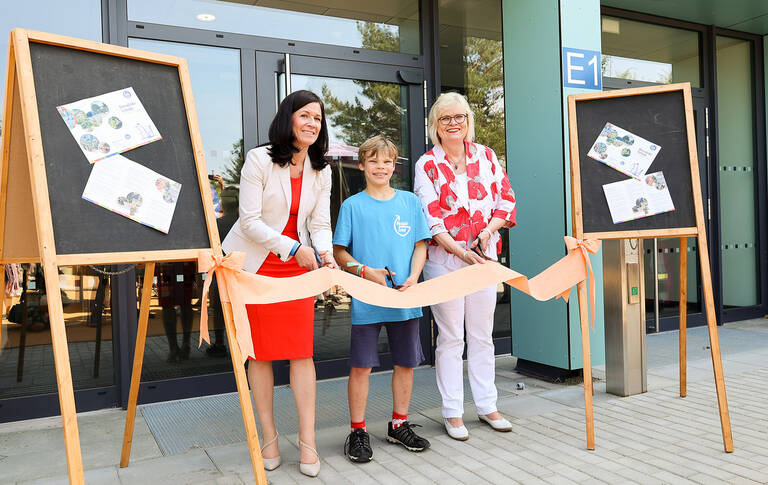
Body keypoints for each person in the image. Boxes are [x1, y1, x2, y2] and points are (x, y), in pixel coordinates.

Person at [222, 90, 336, 477]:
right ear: (288, 118)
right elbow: (249, 220)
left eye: (317, 119)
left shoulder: (323, 168)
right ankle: (268, 438)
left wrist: (325, 254)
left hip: (298, 268)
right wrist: (294, 248)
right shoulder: (259, 159)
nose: (311, 124)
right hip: (258, 266)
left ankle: (308, 442)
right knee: (261, 354)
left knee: (302, 352)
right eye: (305, 115)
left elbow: (319, 224)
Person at [413, 92, 517, 440]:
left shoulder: (487, 156)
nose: (453, 123)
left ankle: (488, 405)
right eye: (445, 119)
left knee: (482, 335)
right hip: (445, 261)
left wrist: (488, 231)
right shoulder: (426, 164)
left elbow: (506, 197)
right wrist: (459, 251)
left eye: (459, 117)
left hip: (484, 257)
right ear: (435, 127)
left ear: (468, 121)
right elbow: (430, 218)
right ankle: (452, 412)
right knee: (452, 337)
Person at [333, 135, 432, 463]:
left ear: (395, 166)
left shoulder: (409, 202)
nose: (381, 167)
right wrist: (364, 271)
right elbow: (339, 252)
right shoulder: (352, 205)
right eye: (373, 161)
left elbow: (421, 244)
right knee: (361, 366)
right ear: (361, 165)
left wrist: (414, 278)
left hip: (405, 296)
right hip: (367, 298)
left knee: (405, 362)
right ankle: (358, 431)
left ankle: (398, 424)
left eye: (387, 161)